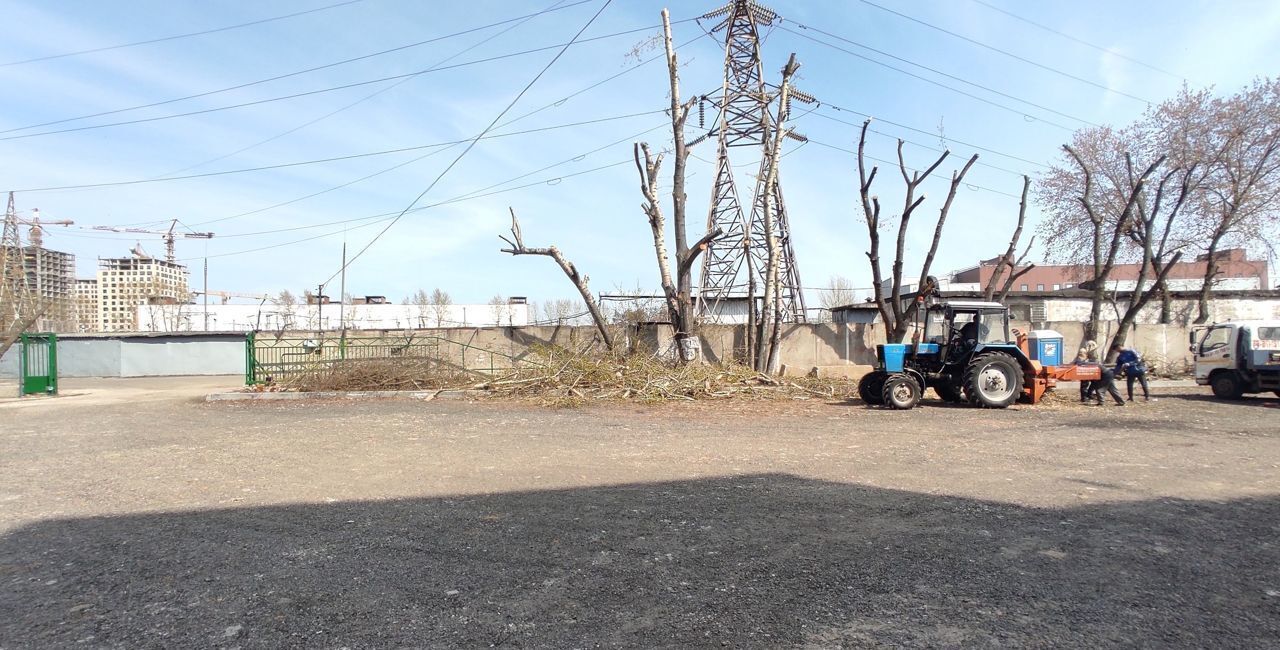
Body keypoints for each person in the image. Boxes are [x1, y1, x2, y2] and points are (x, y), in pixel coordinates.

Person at [1077, 340, 1125, 406]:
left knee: (1099, 390)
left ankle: (1101, 403)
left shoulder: (1092, 363)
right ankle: (1121, 402)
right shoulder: (1092, 360)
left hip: (1106, 375)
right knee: (1113, 389)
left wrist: (1082, 363)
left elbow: (1084, 363)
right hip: (1109, 374)